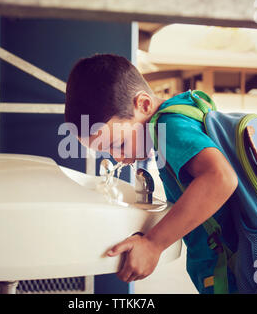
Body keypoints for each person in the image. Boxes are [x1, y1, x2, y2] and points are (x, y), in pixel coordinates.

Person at [64, 54, 239, 293]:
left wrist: (153, 243)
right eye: (107, 152)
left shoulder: (169, 125)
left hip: (233, 273)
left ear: (144, 105)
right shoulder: (185, 111)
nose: (117, 157)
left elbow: (220, 178)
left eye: (119, 143)